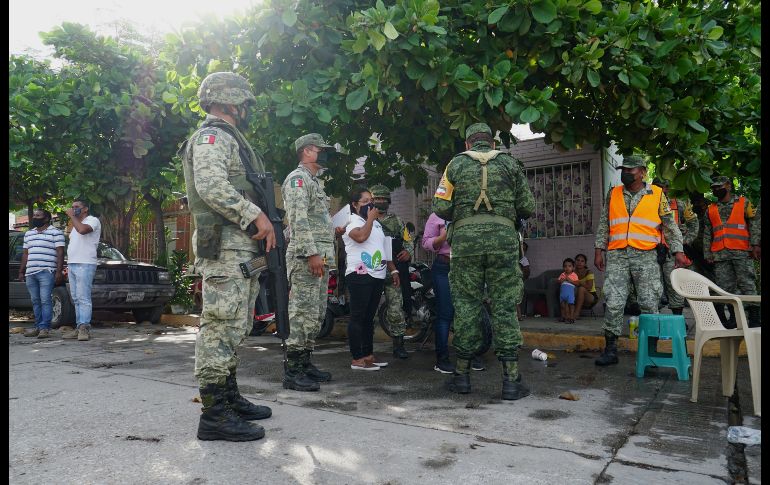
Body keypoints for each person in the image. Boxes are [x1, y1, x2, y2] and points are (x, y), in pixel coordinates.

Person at [179, 71, 274, 442]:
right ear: (229, 101)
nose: (247, 109)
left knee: (234, 325)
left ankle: (229, 398)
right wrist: (256, 216)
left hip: (239, 247)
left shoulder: (230, 138)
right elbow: (212, 186)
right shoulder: (213, 136)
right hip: (224, 247)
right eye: (244, 103)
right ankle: (214, 414)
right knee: (219, 327)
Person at [432, 122, 535, 401]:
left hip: (466, 244)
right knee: (504, 306)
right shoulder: (510, 164)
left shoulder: (454, 165)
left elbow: (440, 207)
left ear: (467, 144)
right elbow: (528, 207)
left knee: (466, 306)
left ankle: (462, 377)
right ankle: (511, 381)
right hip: (503, 241)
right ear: (491, 143)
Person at [594, 155, 688, 366]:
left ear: (643, 172)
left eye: (630, 169)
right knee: (614, 301)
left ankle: (651, 351)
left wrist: (678, 251)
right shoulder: (614, 193)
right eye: (623, 169)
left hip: (645, 255)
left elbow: (670, 226)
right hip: (617, 254)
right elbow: (604, 223)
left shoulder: (656, 194)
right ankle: (610, 350)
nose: (625, 173)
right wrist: (598, 249)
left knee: (649, 301)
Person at [280, 133, 337, 391]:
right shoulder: (298, 179)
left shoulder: (315, 182)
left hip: (320, 256)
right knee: (302, 313)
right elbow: (298, 220)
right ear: (307, 151)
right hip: (307, 257)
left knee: (316, 314)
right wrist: (311, 254)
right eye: (320, 149)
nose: (324, 153)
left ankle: (305, 363)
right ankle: (292, 371)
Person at [343, 187, 400, 370]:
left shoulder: (375, 223)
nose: (370, 204)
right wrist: (370, 219)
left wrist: (393, 270)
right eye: (365, 201)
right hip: (360, 274)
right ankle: (357, 358)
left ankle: (368, 356)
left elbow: (384, 247)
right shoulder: (351, 221)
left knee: (369, 318)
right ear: (354, 205)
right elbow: (360, 237)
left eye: (371, 200)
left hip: (377, 274)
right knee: (358, 317)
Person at [703, 176, 761, 328]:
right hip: (720, 254)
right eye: (713, 188)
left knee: (747, 284)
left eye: (718, 186)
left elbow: (754, 224)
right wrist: (707, 253)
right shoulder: (711, 209)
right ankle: (734, 319)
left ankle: (755, 319)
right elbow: (708, 233)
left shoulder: (744, 202)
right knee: (724, 288)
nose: (716, 190)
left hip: (742, 251)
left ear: (728, 185)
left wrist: (756, 245)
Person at [368, 184, 413, 359]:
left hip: (393, 272)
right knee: (369, 311)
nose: (380, 202)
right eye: (377, 199)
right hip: (372, 270)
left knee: (395, 310)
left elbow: (408, 239)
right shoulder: (366, 220)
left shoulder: (397, 221)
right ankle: (367, 347)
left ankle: (398, 345)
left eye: (383, 199)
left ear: (388, 201)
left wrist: (408, 251)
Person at [652, 178, 698, 316]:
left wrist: (684, 242)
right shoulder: (645, 202)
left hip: (671, 253)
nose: (661, 190)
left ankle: (677, 320)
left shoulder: (679, 204)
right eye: (657, 187)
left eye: (664, 187)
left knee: (674, 287)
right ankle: (655, 320)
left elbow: (694, 223)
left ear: (668, 188)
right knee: (651, 288)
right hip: (650, 251)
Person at [20, 209, 65, 339]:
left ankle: (45, 328)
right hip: (30, 272)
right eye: (34, 215)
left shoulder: (56, 232)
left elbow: (60, 253)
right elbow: (25, 254)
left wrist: (58, 272)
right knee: (35, 301)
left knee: (45, 300)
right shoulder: (28, 233)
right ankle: (37, 327)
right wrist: (21, 271)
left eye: (38, 216)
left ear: (46, 219)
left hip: (47, 271)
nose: (35, 217)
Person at [62, 200, 101, 342]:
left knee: (83, 297)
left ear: (85, 209)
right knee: (76, 298)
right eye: (72, 207)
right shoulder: (75, 225)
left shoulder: (93, 220)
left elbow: (83, 230)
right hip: (72, 264)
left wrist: (72, 216)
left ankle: (85, 328)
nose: (73, 209)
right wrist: (68, 264)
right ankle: (79, 327)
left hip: (85, 264)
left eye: (77, 207)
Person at [421, 213, 455, 373]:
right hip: (444, 267)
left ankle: (469, 356)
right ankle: (442, 360)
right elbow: (425, 242)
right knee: (445, 313)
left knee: (470, 311)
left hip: (467, 267)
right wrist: (442, 238)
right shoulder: (438, 215)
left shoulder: (470, 208)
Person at [573, 253, 597, 319]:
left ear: (585, 264)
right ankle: (566, 314)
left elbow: (589, 287)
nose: (579, 262)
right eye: (578, 260)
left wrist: (580, 282)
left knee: (581, 289)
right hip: (576, 295)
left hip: (590, 296)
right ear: (575, 262)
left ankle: (576, 314)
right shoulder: (572, 273)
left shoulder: (589, 272)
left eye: (582, 261)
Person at [557, 258, 579, 324]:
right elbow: (558, 281)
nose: (567, 268)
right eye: (565, 266)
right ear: (563, 267)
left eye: (569, 266)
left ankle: (571, 317)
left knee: (571, 305)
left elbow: (577, 283)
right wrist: (560, 281)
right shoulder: (562, 274)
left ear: (573, 267)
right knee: (562, 306)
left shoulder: (574, 275)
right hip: (562, 294)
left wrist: (570, 280)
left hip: (570, 294)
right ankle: (563, 317)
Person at [517, 239, 530, 321]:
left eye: (524, 249)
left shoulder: (524, 260)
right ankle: (518, 316)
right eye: (520, 249)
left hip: (518, 282)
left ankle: (519, 316)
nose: (522, 251)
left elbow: (527, 274)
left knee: (517, 300)